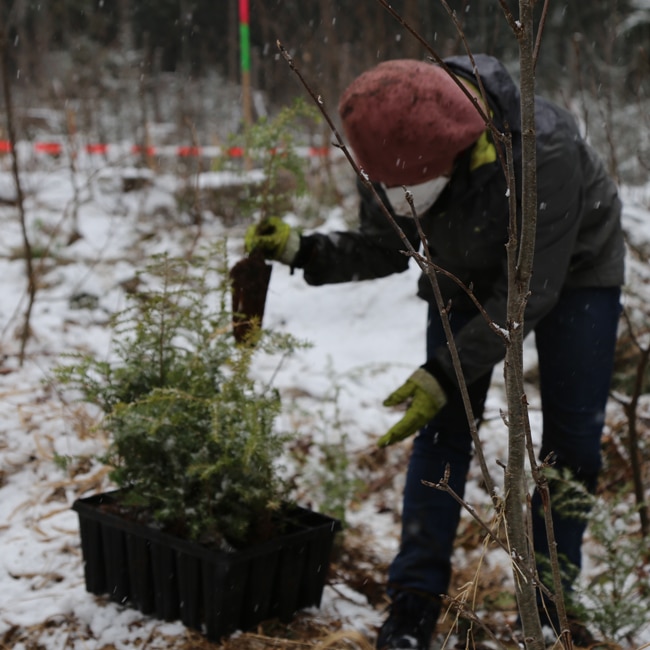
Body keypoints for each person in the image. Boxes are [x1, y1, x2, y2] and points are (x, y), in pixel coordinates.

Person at [245, 55, 625, 650]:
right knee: (443, 430)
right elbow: (386, 247)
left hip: (573, 269)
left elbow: (528, 294)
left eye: (410, 194)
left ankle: (553, 597)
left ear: (454, 154)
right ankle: (414, 602)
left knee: (573, 438)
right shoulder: (384, 138)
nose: (397, 201)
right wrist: (305, 251)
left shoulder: (540, 151)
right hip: (459, 268)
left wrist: (443, 370)